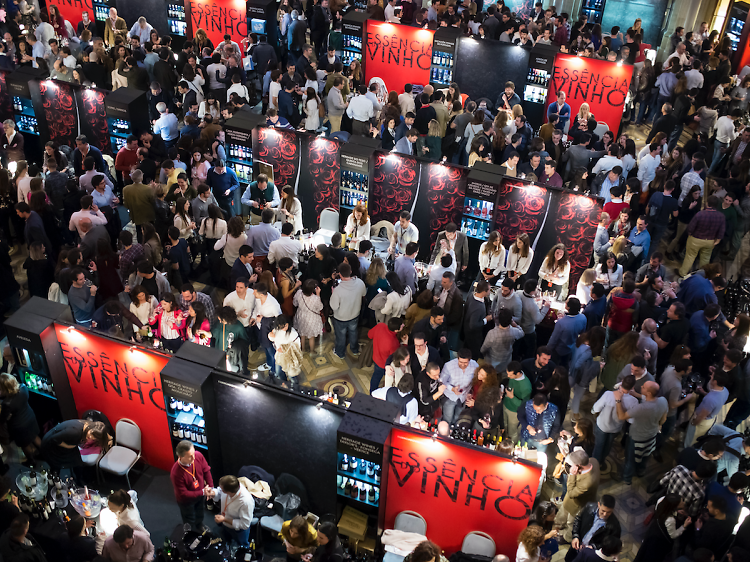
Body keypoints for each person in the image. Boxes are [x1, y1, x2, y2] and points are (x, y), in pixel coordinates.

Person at [613, 380, 667, 483]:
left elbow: (621, 416)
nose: (641, 386)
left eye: (643, 387)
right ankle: (641, 472)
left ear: (649, 393)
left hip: (637, 437)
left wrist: (618, 400)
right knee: (645, 456)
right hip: (652, 436)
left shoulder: (641, 408)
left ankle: (627, 478)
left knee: (630, 459)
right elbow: (663, 419)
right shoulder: (663, 401)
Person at [170, 439, 213, 530]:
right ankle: (190, 533)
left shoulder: (198, 455)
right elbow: (184, 493)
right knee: (189, 518)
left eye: (193, 453)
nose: (194, 458)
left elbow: (206, 470)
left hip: (200, 494)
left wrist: (210, 486)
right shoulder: (176, 473)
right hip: (186, 501)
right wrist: (202, 492)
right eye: (190, 456)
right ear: (180, 457)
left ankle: (199, 525)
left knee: (200, 512)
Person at [41, 419, 109, 475]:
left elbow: (103, 434)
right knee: (56, 465)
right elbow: (54, 438)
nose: (91, 437)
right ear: (91, 429)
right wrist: (69, 446)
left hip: (61, 440)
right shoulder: (75, 432)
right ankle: (54, 480)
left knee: (77, 459)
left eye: (94, 438)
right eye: (91, 434)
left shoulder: (90, 425)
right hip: (49, 444)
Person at [565, 496, 621, 562]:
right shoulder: (589, 507)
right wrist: (575, 536)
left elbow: (611, 545)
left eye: (609, 512)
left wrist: (594, 547)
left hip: (592, 555)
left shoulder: (615, 526)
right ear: (599, 505)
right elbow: (578, 519)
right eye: (603, 511)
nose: (605, 514)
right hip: (577, 546)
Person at [0, 374, 40, 463]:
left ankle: (31, 461)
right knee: (34, 437)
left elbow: (2, 419)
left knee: (24, 445)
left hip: (19, 426)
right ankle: (45, 454)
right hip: (30, 417)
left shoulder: (7, 403)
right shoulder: (23, 387)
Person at [330, 262, 366, 359]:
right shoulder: (360, 282)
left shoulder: (337, 290)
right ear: (350, 271)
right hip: (355, 314)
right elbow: (363, 295)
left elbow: (334, 306)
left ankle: (340, 353)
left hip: (341, 317)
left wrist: (333, 293)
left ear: (340, 274)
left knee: (341, 336)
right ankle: (355, 350)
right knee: (353, 333)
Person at [207, 475, 254, 548]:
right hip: (225, 523)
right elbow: (219, 491)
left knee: (242, 547)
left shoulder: (246, 502)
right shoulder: (231, 488)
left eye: (222, 489)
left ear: (227, 492)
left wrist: (224, 519)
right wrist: (213, 493)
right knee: (226, 542)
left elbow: (245, 524)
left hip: (238, 530)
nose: (220, 490)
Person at [684, 371, 729, 447]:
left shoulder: (710, 400)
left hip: (701, 422)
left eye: (712, 376)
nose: (710, 377)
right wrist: (703, 392)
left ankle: (685, 450)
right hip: (711, 419)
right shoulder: (725, 390)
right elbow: (714, 401)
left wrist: (694, 422)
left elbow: (702, 415)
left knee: (691, 439)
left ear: (715, 381)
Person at [440, 349, 479, 424]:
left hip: (464, 397)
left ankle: (454, 431)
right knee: (447, 418)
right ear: (457, 358)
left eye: (465, 363)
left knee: (458, 417)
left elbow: (475, 381)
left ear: (469, 360)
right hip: (450, 396)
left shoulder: (475, 366)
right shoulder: (448, 366)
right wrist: (452, 389)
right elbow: (442, 381)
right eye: (460, 362)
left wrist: (470, 392)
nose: (463, 364)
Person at [463, 281, 493, 360]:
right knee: (473, 354)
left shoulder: (471, 295)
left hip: (466, 330)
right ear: (484, 292)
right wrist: (486, 320)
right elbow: (473, 325)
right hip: (474, 336)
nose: (490, 291)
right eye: (489, 290)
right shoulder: (477, 307)